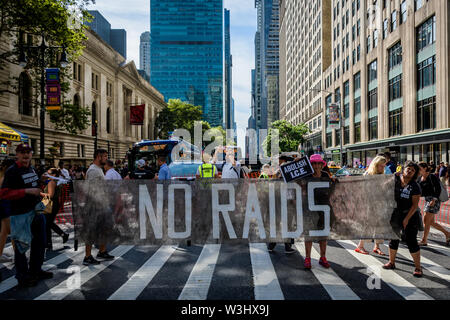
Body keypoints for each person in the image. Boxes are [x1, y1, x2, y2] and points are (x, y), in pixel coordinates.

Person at [0, 143, 52, 287]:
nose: (25, 155)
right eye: (22, 152)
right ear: (17, 154)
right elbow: (3, 193)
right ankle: (22, 277)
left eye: (28, 152)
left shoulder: (31, 168)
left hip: (36, 211)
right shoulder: (12, 171)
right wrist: (26, 191)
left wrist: (41, 180)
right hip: (20, 214)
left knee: (40, 243)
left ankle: (36, 270)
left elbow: (35, 186)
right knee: (21, 247)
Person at [383, 161, 423, 277]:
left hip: (410, 215)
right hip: (395, 214)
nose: (410, 171)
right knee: (393, 239)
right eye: (408, 168)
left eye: (413, 170)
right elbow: (382, 186)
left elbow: (415, 206)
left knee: (411, 241)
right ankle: (391, 262)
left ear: (415, 173)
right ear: (403, 169)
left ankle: (418, 268)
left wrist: (406, 219)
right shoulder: (395, 180)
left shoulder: (415, 186)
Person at [83, 149, 115, 265]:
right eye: (105, 156)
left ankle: (102, 251)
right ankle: (87, 256)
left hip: (102, 203)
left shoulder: (98, 169)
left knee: (104, 228)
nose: (106, 158)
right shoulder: (93, 170)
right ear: (98, 156)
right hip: (94, 205)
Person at [303, 154, 332, 269]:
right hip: (309, 209)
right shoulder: (306, 176)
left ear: (322, 164)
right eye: (313, 163)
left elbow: (331, 188)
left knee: (323, 235)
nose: (316, 166)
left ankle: (323, 257)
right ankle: (307, 258)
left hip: (324, 208)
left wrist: (333, 180)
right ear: (310, 165)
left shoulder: (325, 175)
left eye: (318, 163)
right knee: (309, 234)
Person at [354, 155, 387, 255]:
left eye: (384, 165)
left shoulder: (381, 174)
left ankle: (376, 246)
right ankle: (360, 246)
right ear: (375, 165)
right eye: (381, 165)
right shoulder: (368, 174)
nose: (383, 167)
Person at [267, 154, 295, 254]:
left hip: (279, 199)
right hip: (286, 200)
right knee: (287, 223)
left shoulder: (279, 170)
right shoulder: (285, 170)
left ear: (282, 160)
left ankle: (272, 245)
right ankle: (287, 246)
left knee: (277, 223)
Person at [417, 162, 450, 246]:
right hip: (427, 199)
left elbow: (438, 189)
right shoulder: (419, 178)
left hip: (433, 200)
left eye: (420, 168)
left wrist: (434, 199)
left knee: (425, 220)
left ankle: (424, 240)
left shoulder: (432, 177)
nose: (419, 170)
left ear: (425, 168)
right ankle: (447, 234)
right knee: (431, 222)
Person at [42, 168, 70, 250]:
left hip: (50, 202)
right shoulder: (57, 181)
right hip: (53, 203)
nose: (47, 174)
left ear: (54, 175)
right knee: (48, 223)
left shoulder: (51, 182)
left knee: (47, 224)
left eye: (49, 173)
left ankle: (48, 243)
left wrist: (40, 193)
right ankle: (62, 235)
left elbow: (50, 195)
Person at [0, 158, 16, 263]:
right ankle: (19, 256)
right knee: (14, 232)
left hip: (5, 206)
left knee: (4, 232)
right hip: (3, 206)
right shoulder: (4, 177)